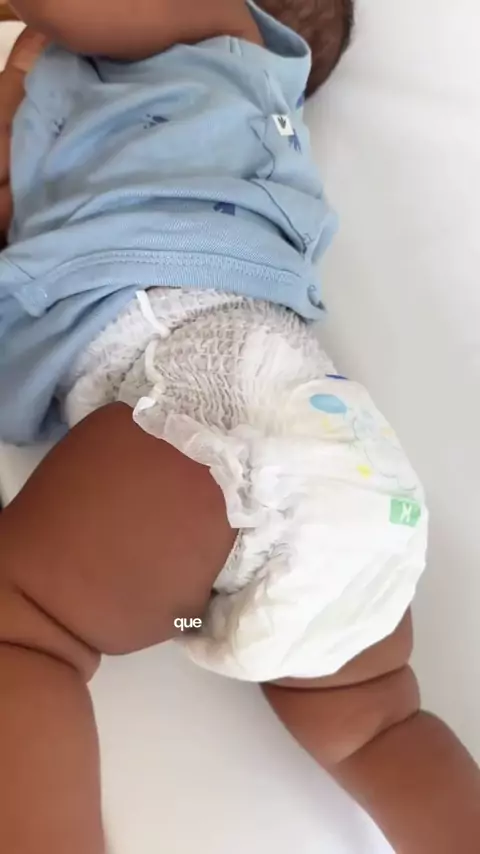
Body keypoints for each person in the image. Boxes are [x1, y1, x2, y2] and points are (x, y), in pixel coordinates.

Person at [0, 3, 479, 853]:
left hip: (210, 413)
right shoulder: (170, 133)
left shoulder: (222, 36)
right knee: (376, 726)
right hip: (342, 483)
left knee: (22, 630)